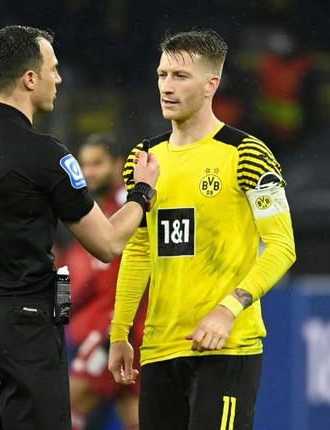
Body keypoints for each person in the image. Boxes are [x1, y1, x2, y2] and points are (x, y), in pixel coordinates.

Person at [0, 25, 160, 430]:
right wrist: (142, 193)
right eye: (52, 68)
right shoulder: (47, 155)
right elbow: (107, 243)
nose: (59, 78)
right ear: (29, 79)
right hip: (24, 326)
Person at [108, 29, 296, 430]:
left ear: (212, 84)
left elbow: (282, 247)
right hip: (159, 349)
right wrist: (119, 332)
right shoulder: (144, 162)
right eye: (162, 75)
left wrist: (228, 310)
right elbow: (139, 249)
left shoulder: (247, 154)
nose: (167, 87)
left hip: (228, 347)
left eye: (180, 77)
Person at [63, 134, 144, 430]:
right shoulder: (100, 211)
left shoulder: (130, 205)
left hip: (117, 332)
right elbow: (85, 282)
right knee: (136, 418)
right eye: (85, 165)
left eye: (97, 163)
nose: (89, 173)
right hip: (112, 333)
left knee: (62, 406)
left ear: (118, 164)